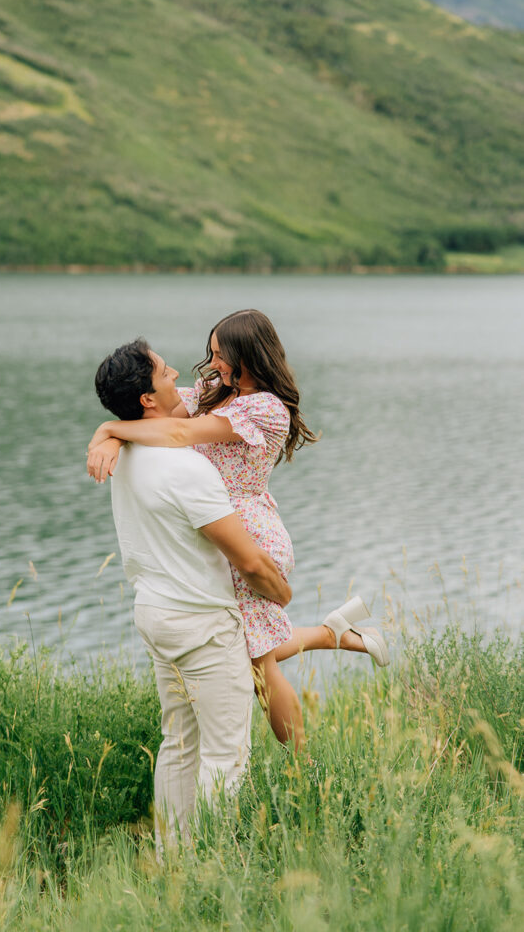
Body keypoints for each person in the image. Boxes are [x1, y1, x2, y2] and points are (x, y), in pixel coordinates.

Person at [88, 310, 389, 745]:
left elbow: (175, 434)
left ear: (247, 357)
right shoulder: (218, 390)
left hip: (246, 530)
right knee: (248, 647)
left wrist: (108, 427)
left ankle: (306, 769)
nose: (211, 365)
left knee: (257, 663)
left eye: (219, 356)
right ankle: (334, 634)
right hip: (212, 524)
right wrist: (115, 434)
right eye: (211, 354)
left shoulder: (264, 408)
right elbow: (161, 416)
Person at [94, 338, 294, 848]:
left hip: (155, 613)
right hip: (201, 623)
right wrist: (280, 591)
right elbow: (248, 560)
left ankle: (172, 860)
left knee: (178, 745)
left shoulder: (131, 453)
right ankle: (211, 865)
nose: (180, 370)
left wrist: (107, 430)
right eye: (164, 371)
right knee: (225, 756)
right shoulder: (189, 468)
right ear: (147, 398)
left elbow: (179, 420)